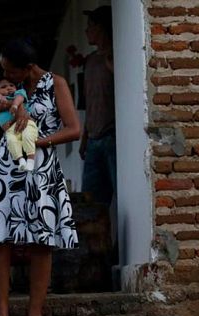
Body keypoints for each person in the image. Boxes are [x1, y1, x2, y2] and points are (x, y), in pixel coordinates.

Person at [0, 38, 81, 316]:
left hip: (41, 166)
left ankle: (35, 313)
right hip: (7, 168)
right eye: (4, 70)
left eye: (11, 70)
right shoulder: (7, 85)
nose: (6, 75)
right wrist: (7, 102)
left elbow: (74, 129)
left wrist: (38, 140)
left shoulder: (56, 83)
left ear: (29, 68)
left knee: (42, 241)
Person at [79, 6, 116, 206]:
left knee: (122, 194)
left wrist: (110, 62)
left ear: (102, 28)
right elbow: (90, 102)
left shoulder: (115, 57)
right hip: (93, 140)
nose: (87, 31)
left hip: (112, 136)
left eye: (91, 26)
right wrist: (84, 138)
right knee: (90, 202)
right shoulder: (90, 61)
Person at [0, 78, 39, 171]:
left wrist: (15, 105)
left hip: (25, 123)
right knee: (12, 141)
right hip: (11, 129)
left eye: (12, 85)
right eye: (3, 87)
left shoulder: (19, 93)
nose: (9, 88)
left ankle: (30, 160)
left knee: (27, 136)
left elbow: (20, 98)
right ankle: (21, 160)